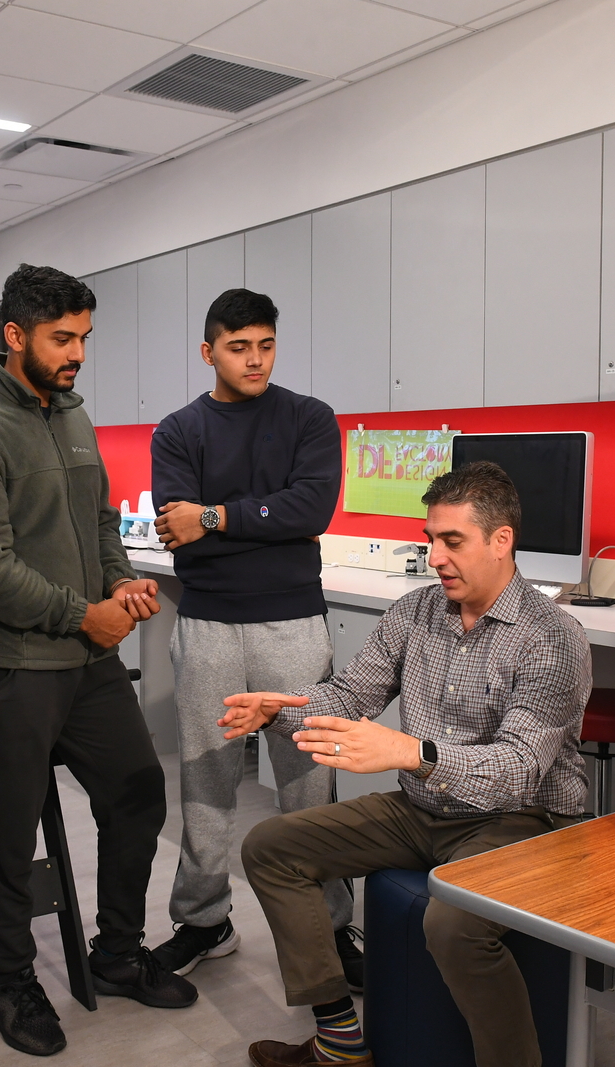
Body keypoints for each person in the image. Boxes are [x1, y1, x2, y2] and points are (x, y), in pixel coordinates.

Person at [220, 462, 592, 1067]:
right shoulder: (416, 612)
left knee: (453, 926)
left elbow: (521, 768)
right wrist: (277, 711)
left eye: (452, 541)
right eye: (430, 540)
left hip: (520, 819)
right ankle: (340, 1040)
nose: (435, 557)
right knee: (270, 847)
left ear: (501, 542)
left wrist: (411, 754)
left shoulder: (552, 637)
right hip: (424, 807)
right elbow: (350, 695)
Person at [0, 263, 195, 1058]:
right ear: (14, 337)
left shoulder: (73, 414)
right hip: (9, 661)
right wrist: (87, 612)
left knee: (139, 792)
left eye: (84, 337)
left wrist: (118, 582)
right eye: (62, 338)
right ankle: (8, 982)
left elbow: (101, 519)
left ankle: (114, 952)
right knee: (9, 832)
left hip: (86, 657)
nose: (78, 352)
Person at [148, 289, 363, 984]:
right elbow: (179, 528)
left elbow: (312, 506)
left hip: (292, 623)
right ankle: (203, 920)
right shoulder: (178, 431)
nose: (255, 359)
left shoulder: (309, 418)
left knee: (309, 779)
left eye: (266, 345)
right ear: (209, 352)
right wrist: (253, 523)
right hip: (208, 622)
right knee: (207, 778)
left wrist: (213, 518)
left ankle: (331, 928)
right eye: (239, 347)